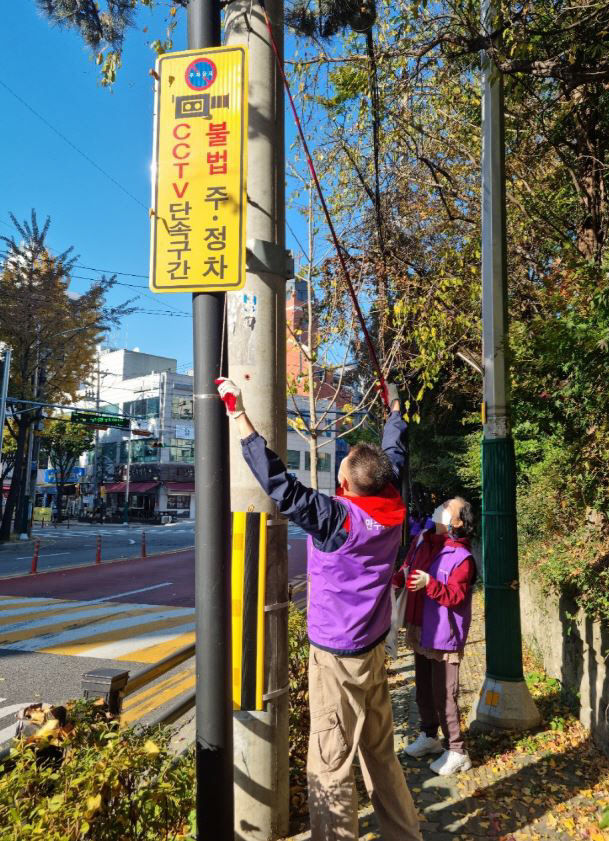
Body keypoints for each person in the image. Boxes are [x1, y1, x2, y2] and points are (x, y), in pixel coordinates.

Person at [216, 377, 422, 841]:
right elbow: (396, 450)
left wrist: (237, 413)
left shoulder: (337, 519)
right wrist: (393, 406)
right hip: (372, 651)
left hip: (336, 660)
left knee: (330, 766)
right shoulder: (393, 507)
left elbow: (279, 485)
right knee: (380, 754)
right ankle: (405, 834)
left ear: (345, 483)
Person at [393, 497, 476, 776]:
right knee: (425, 690)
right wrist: (399, 579)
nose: (439, 510)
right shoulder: (423, 540)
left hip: (443, 633)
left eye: (447, 509)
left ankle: (457, 750)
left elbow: (455, 596)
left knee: (444, 694)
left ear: (458, 522)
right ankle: (429, 736)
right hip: (421, 627)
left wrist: (430, 584)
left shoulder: (460, 556)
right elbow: (408, 570)